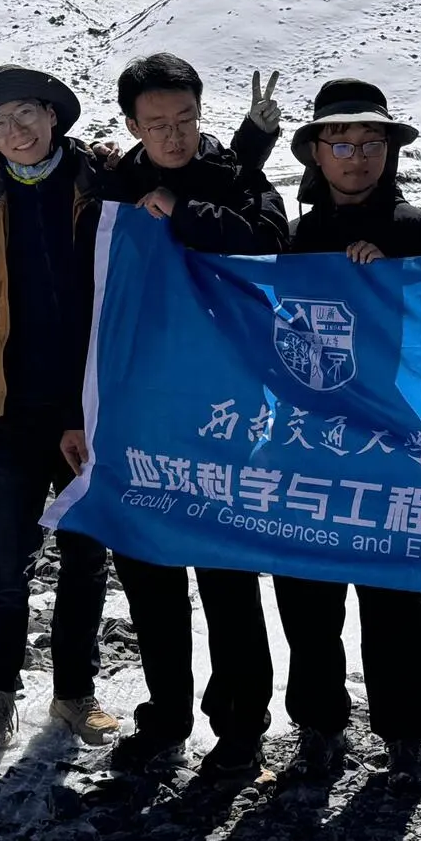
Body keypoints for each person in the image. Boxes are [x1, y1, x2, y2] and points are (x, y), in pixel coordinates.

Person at [96, 52, 291, 782]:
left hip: (225, 409)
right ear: (131, 125)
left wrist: (187, 211)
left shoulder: (236, 176)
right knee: (149, 574)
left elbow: (272, 244)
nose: (173, 137)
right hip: (141, 410)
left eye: (184, 120)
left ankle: (241, 725)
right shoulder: (115, 185)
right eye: (156, 125)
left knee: (227, 572)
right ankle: (166, 715)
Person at [268, 79, 421, 794]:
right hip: (305, 439)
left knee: (393, 593)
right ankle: (318, 729)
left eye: (372, 143)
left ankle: (406, 738)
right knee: (307, 594)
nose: (357, 156)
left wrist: (394, 282)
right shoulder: (294, 234)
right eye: (341, 142)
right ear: (316, 151)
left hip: (389, 440)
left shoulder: (413, 227)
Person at [0, 65, 119, 751]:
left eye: (26, 113)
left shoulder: (103, 185)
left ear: (53, 116)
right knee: (7, 558)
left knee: (85, 557)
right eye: (0, 123)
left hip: (89, 407)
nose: (16, 131)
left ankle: (74, 694)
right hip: (15, 409)